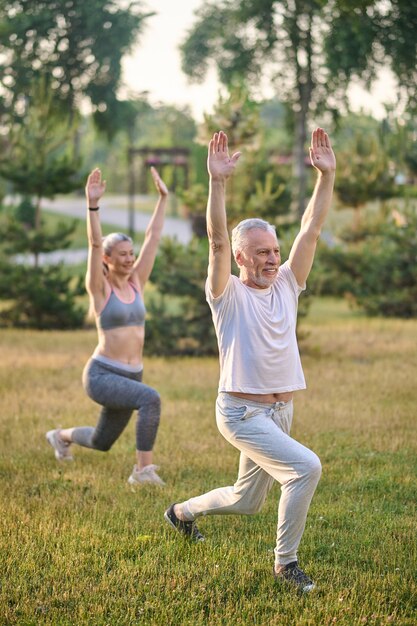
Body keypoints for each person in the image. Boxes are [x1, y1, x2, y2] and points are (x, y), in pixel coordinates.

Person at [164, 128, 336, 592]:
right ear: (242, 256)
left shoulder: (286, 283)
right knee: (306, 469)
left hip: (281, 411)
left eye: (275, 251)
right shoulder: (227, 293)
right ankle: (286, 565)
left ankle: (181, 513)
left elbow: (311, 228)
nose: (273, 259)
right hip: (241, 412)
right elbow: (217, 240)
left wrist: (327, 176)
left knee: (246, 500)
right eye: (262, 252)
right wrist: (217, 183)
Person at [46, 166, 168, 486]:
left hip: (132, 373)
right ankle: (142, 472)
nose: (130, 259)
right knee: (150, 399)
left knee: (102, 441)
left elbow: (154, 236)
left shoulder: (138, 280)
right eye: (123, 255)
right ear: (108, 260)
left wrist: (163, 199)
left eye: (132, 253)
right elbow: (94, 244)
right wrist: (93, 206)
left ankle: (60, 436)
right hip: (102, 374)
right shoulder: (100, 289)